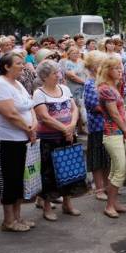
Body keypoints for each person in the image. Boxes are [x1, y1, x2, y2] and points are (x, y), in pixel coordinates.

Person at [0, 53, 37, 233]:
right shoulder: (0, 84)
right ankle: (8, 220)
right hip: (6, 139)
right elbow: (10, 114)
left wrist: (32, 125)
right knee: (9, 179)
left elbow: (30, 107)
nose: (22, 66)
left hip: (23, 138)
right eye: (18, 63)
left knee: (20, 179)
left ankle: (18, 216)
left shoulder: (18, 84)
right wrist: (28, 129)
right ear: (7, 66)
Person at [32, 60, 81, 221]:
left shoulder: (65, 89)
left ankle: (68, 203)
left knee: (69, 170)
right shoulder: (39, 93)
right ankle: (46, 207)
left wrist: (72, 126)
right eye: (55, 73)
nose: (58, 76)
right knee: (49, 173)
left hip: (67, 136)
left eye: (58, 72)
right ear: (45, 76)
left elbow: (74, 109)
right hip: (49, 139)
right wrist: (64, 128)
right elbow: (44, 117)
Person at [95, 55, 126, 217]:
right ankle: (110, 206)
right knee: (120, 169)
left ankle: (114, 202)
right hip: (112, 133)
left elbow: (122, 110)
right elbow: (114, 114)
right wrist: (125, 128)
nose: (120, 71)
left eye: (120, 68)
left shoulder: (113, 87)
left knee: (116, 169)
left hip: (119, 132)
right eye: (116, 68)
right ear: (108, 70)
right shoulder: (105, 89)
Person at [82, 51, 110, 201]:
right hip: (97, 126)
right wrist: (114, 107)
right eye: (101, 64)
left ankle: (106, 187)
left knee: (106, 158)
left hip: (107, 125)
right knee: (97, 159)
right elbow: (96, 106)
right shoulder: (90, 83)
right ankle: (99, 189)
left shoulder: (102, 81)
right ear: (93, 66)